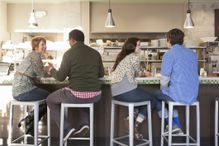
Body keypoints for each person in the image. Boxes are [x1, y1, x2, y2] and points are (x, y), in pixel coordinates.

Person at [45, 29, 104, 141]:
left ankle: (66, 128)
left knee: (50, 99)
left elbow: (60, 77)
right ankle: (85, 123)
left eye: (69, 40)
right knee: (83, 97)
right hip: (95, 95)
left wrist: (51, 70)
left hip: (76, 95)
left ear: (72, 40)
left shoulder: (69, 53)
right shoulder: (95, 53)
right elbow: (101, 74)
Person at [152, 28, 199, 133]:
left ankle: (173, 124)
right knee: (167, 97)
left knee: (155, 96)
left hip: (179, 94)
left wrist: (163, 90)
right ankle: (176, 126)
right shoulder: (192, 53)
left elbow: (164, 78)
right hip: (193, 95)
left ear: (169, 40)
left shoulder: (169, 54)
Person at [110, 37, 156, 140]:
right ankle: (135, 124)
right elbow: (138, 71)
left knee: (141, 100)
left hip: (116, 93)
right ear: (133, 47)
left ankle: (130, 118)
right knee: (152, 99)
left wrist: (141, 72)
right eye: (139, 45)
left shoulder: (123, 58)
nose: (140, 47)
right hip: (127, 91)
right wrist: (146, 73)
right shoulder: (134, 56)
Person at [12, 36, 50, 136]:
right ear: (35, 46)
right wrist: (47, 69)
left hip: (19, 91)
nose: (45, 46)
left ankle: (28, 122)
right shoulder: (35, 56)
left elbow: (35, 74)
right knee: (50, 98)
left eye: (45, 44)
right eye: (42, 44)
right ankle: (28, 121)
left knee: (48, 98)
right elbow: (41, 74)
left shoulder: (32, 55)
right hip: (23, 91)